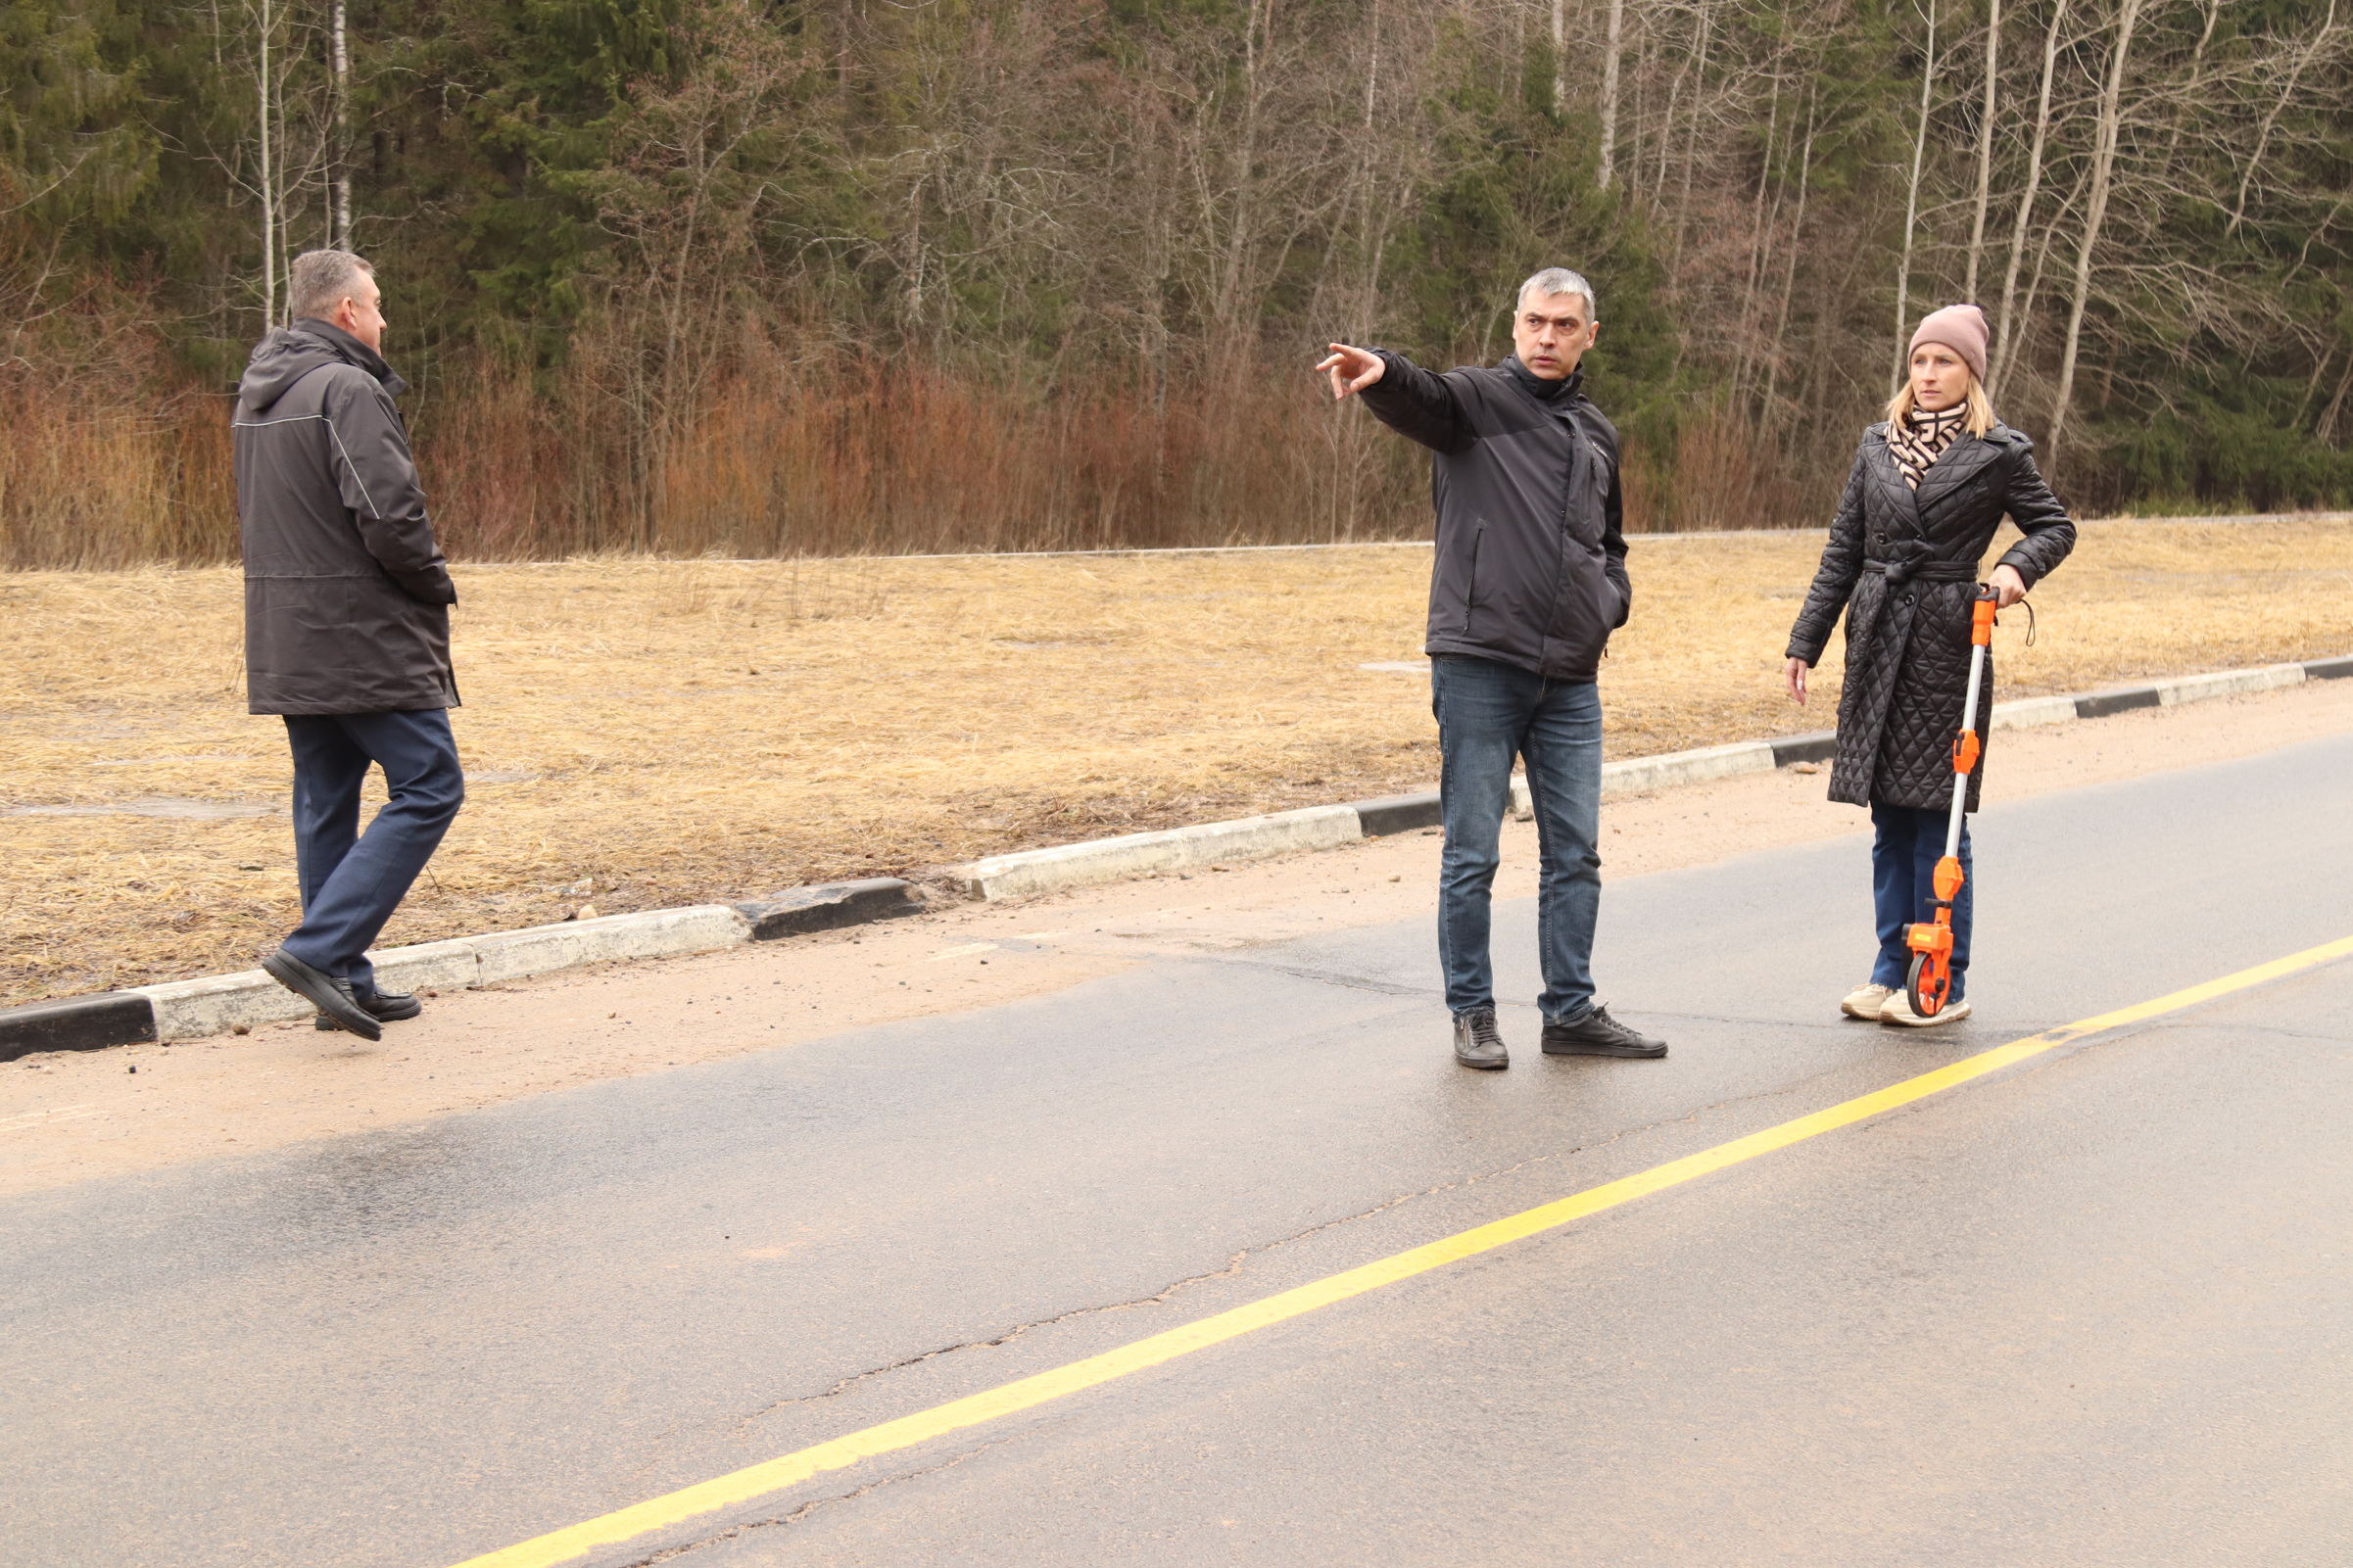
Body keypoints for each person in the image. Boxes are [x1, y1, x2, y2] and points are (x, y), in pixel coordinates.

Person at [1319, 269, 1666, 1070]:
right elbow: (1422, 394)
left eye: (1565, 325)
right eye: (1536, 323)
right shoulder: (1476, 403)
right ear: (1515, 326)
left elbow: (1607, 542)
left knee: (1575, 852)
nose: (1548, 337)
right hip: (1480, 661)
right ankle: (1473, 1012)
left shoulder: (1597, 431)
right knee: (1472, 851)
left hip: (1570, 676)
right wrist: (1379, 367)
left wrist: (1608, 600)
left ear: (1590, 335)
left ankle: (1571, 1010)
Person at [1783, 304, 2075, 1026]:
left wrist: (2013, 571)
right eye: (1919, 361)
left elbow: (2055, 525)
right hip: (1878, 635)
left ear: (1971, 371)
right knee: (1887, 816)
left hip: (1949, 638)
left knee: (1938, 816)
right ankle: (1889, 968)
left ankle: (1942, 971)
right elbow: (1842, 550)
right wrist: (1805, 641)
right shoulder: (1875, 445)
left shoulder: (1998, 451)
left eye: (1944, 362)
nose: (1929, 374)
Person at [233, 249, 464, 1041]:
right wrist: (435, 581)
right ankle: (318, 950)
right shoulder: (346, 387)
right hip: (359, 635)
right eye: (377, 302)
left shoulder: (260, 395)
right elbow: (388, 513)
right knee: (431, 783)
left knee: (327, 800)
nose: (383, 317)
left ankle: (341, 977)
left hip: (292, 634)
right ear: (345, 314)